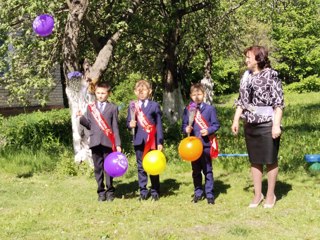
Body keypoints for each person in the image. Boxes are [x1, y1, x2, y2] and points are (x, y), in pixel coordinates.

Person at [231, 45, 284, 208]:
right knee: (255, 160)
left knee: (270, 160)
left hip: (267, 123)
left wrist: (276, 125)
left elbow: (279, 103)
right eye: (246, 57)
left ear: (258, 58)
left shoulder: (271, 75)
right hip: (250, 124)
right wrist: (235, 120)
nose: (246, 60)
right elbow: (241, 101)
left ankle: (270, 195)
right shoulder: (245, 76)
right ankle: (257, 194)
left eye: (249, 56)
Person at [78, 82, 122, 202]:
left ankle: (110, 192)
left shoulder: (113, 108)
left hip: (108, 142)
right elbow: (90, 125)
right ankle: (100, 192)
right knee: (98, 168)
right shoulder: (90, 107)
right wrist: (81, 118)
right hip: (95, 142)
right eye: (98, 93)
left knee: (109, 168)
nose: (100, 95)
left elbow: (115, 127)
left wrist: (118, 144)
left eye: (103, 93)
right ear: (95, 93)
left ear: (108, 93)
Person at [182, 83, 220, 204]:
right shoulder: (188, 110)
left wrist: (208, 130)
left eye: (199, 94)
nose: (197, 97)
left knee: (208, 170)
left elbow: (216, 125)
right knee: (196, 171)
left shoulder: (210, 109)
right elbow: (183, 125)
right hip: (193, 147)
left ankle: (209, 194)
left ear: (204, 95)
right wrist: (185, 129)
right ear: (190, 96)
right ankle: (198, 192)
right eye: (194, 94)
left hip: (206, 145)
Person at [127, 80, 164, 201]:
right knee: (141, 167)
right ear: (135, 92)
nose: (141, 93)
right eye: (139, 91)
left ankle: (155, 190)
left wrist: (160, 142)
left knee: (153, 165)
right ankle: (143, 191)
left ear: (150, 91)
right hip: (138, 140)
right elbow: (129, 122)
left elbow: (159, 125)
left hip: (152, 141)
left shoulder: (154, 105)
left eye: (144, 90)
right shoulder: (133, 106)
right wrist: (130, 124)